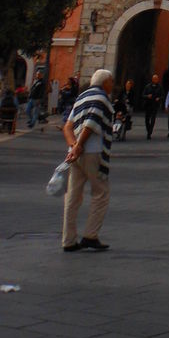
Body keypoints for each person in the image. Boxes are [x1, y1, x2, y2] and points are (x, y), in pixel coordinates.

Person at [61, 68, 115, 252]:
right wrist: (79, 145)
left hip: (75, 155)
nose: (113, 85)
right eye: (111, 81)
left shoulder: (81, 98)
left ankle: (68, 240)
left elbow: (67, 126)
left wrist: (73, 146)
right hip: (93, 152)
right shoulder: (101, 98)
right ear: (105, 82)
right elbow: (91, 123)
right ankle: (90, 235)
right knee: (101, 193)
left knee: (73, 196)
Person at [141, 74, 162, 140]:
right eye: (154, 79)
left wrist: (159, 98)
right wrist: (147, 96)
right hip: (148, 104)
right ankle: (148, 129)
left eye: (157, 79)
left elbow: (162, 95)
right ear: (152, 79)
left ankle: (149, 133)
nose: (155, 80)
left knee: (153, 119)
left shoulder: (160, 87)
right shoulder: (147, 86)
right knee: (147, 119)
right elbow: (143, 95)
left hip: (155, 105)